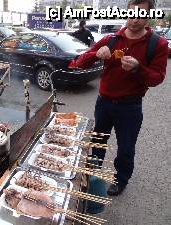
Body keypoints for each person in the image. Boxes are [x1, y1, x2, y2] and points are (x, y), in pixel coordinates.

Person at [69, 0, 168, 196]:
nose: (134, 19)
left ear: (149, 16)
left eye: (140, 15)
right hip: (104, 103)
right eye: (131, 14)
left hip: (130, 107)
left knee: (126, 148)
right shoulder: (111, 39)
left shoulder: (158, 44)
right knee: (98, 142)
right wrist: (96, 54)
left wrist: (139, 69)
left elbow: (157, 78)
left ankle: (121, 180)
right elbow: (76, 64)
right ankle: (92, 175)